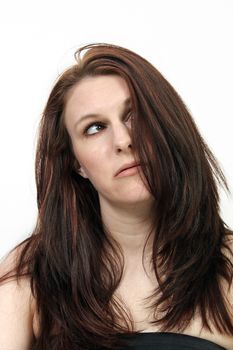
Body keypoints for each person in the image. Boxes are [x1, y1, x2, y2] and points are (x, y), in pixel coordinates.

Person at [0, 42, 232, 350]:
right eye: (94, 128)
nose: (123, 140)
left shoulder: (227, 263)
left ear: (167, 126)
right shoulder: (31, 273)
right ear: (75, 162)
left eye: (134, 115)